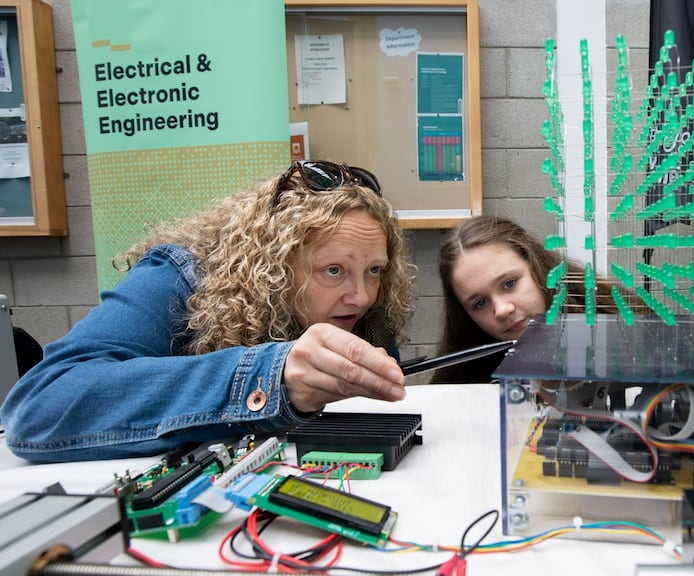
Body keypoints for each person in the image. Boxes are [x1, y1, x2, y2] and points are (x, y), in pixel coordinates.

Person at [0, 160, 416, 462]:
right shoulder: (176, 277)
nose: (361, 296)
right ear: (272, 264)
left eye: (374, 270)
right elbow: (40, 406)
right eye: (333, 270)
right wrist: (270, 377)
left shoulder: (361, 312)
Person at [433, 214, 647, 383]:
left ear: (536, 265)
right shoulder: (466, 377)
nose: (502, 310)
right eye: (479, 303)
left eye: (509, 283)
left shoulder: (623, 324)